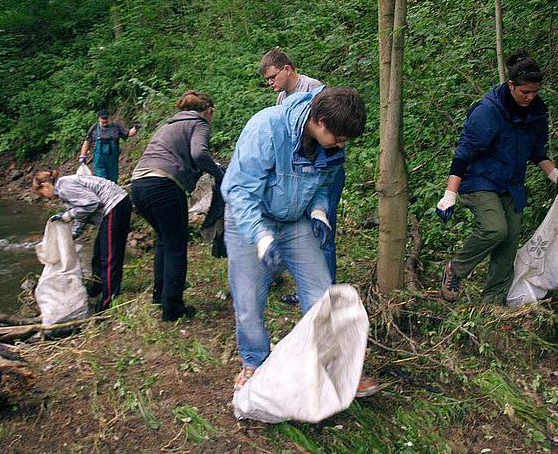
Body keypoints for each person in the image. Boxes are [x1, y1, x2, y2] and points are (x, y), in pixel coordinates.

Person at [222, 86, 380, 397]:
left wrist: (319, 210)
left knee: (322, 291)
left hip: (295, 221)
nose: (343, 144)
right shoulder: (267, 128)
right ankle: (255, 362)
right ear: (320, 121)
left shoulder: (333, 142)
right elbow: (240, 191)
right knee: (249, 298)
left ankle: (334, 367)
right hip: (250, 218)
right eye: (340, 137)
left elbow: (322, 182)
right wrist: (261, 237)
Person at [435, 52, 558, 305]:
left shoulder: (536, 113)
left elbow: (537, 152)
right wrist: (449, 195)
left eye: (535, 92)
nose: (530, 97)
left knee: (509, 242)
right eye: (525, 92)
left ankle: (492, 303)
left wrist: (557, 176)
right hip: (479, 181)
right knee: (494, 229)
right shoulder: (488, 112)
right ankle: (455, 270)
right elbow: (463, 155)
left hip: (512, 184)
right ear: (511, 85)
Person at [259, 48, 345, 305]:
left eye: (273, 77)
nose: (271, 83)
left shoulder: (315, 90)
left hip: (323, 172)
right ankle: (309, 288)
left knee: (322, 228)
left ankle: (325, 294)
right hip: (299, 174)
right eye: (267, 80)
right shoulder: (282, 98)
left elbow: (329, 140)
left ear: (287, 69)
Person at [130, 91, 224, 322]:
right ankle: (173, 308)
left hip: (138, 184)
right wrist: (218, 172)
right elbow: (199, 152)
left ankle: (160, 296)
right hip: (163, 184)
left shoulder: (169, 124)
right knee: (176, 245)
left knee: (164, 240)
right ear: (208, 109)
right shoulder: (199, 123)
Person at [32, 168, 133, 312]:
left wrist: (68, 215)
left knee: (109, 257)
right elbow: (81, 212)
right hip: (114, 207)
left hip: (115, 205)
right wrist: (73, 234)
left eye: (42, 194)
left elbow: (92, 203)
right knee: (98, 255)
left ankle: (108, 301)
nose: (46, 198)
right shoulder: (63, 188)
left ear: (46, 185)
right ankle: (96, 288)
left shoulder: (65, 186)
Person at [79, 109, 139, 182]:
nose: (105, 120)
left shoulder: (116, 127)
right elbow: (87, 142)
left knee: (113, 181)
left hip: (112, 162)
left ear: (109, 118)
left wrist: (136, 128)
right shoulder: (94, 129)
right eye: (103, 119)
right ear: (99, 118)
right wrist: (82, 156)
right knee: (102, 181)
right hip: (99, 162)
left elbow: (129, 133)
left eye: (106, 118)